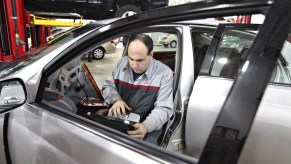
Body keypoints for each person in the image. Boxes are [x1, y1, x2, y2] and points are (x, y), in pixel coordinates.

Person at [102, 34, 174, 145]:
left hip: (147, 124)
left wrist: (146, 126)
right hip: (121, 119)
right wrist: (116, 100)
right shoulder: (121, 63)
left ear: (151, 54)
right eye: (131, 59)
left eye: (140, 60)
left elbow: (164, 108)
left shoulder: (165, 74)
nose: (134, 65)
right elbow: (108, 86)